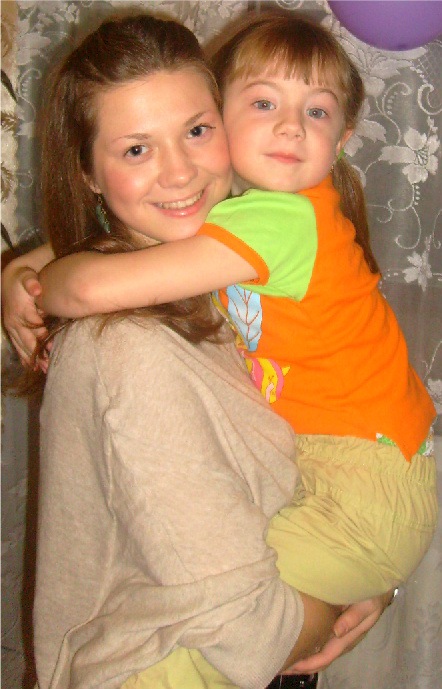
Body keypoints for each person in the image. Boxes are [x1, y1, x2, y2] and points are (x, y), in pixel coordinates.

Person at [1, 12, 394, 689]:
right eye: (136, 150)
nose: (180, 172)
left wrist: (369, 570)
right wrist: (347, 590)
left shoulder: (227, 271)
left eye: (196, 131)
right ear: (88, 172)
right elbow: (252, 633)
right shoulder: (126, 350)